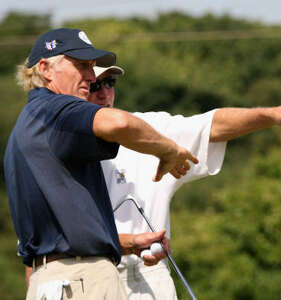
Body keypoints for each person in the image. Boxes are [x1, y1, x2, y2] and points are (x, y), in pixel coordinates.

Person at [4, 28, 199, 300]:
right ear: (46, 69)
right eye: (81, 65)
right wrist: (168, 150)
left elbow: (64, 231)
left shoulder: (33, 121)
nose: (91, 75)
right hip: (80, 279)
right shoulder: (55, 109)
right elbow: (118, 122)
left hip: (58, 279)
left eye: (92, 67)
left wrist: (129, 244)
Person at [88, 64, 281, 299]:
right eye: (95, 85)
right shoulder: (49, 143)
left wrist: (269, 115)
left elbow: (210, 125)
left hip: (148, 278)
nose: (104, 93)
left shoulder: (145, 130)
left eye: (110, 83)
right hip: (85, 276)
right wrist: (127, 242)